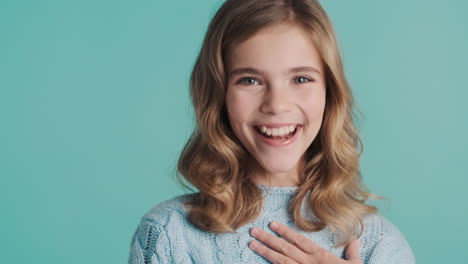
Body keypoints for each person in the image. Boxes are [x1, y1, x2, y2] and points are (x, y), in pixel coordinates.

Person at [128, 0, 416, 263]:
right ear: (219, 93)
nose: (276, 105)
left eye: (301, 78)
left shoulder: (379, 245)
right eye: (250, 80)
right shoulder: (168, 234)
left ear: (329, 92)